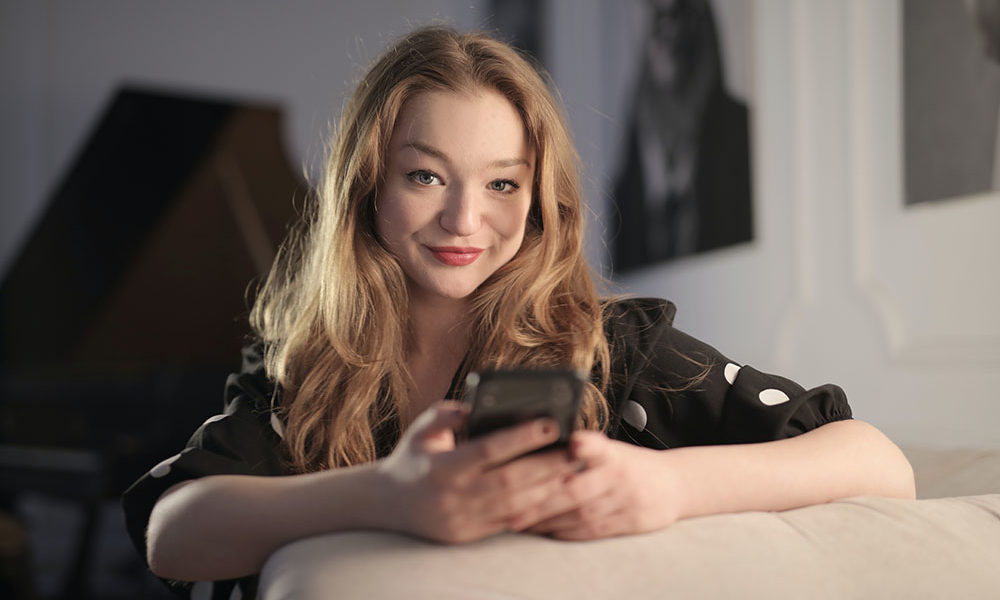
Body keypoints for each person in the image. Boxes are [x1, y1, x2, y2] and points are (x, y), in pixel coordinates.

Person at [122, 25, 915, 599]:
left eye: (503, 183)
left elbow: (879, 463)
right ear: (367, 187)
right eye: (426, 177)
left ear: (540, 202)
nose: (466, 221)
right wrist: (388, 495)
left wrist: (669, 486)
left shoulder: (611, 347)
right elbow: (174, 532)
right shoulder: (310, 362)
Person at [612, 0, 753, 269]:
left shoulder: (739, 134)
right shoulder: (631, 161)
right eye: (656, 15)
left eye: (681, 13)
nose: (668, 29)